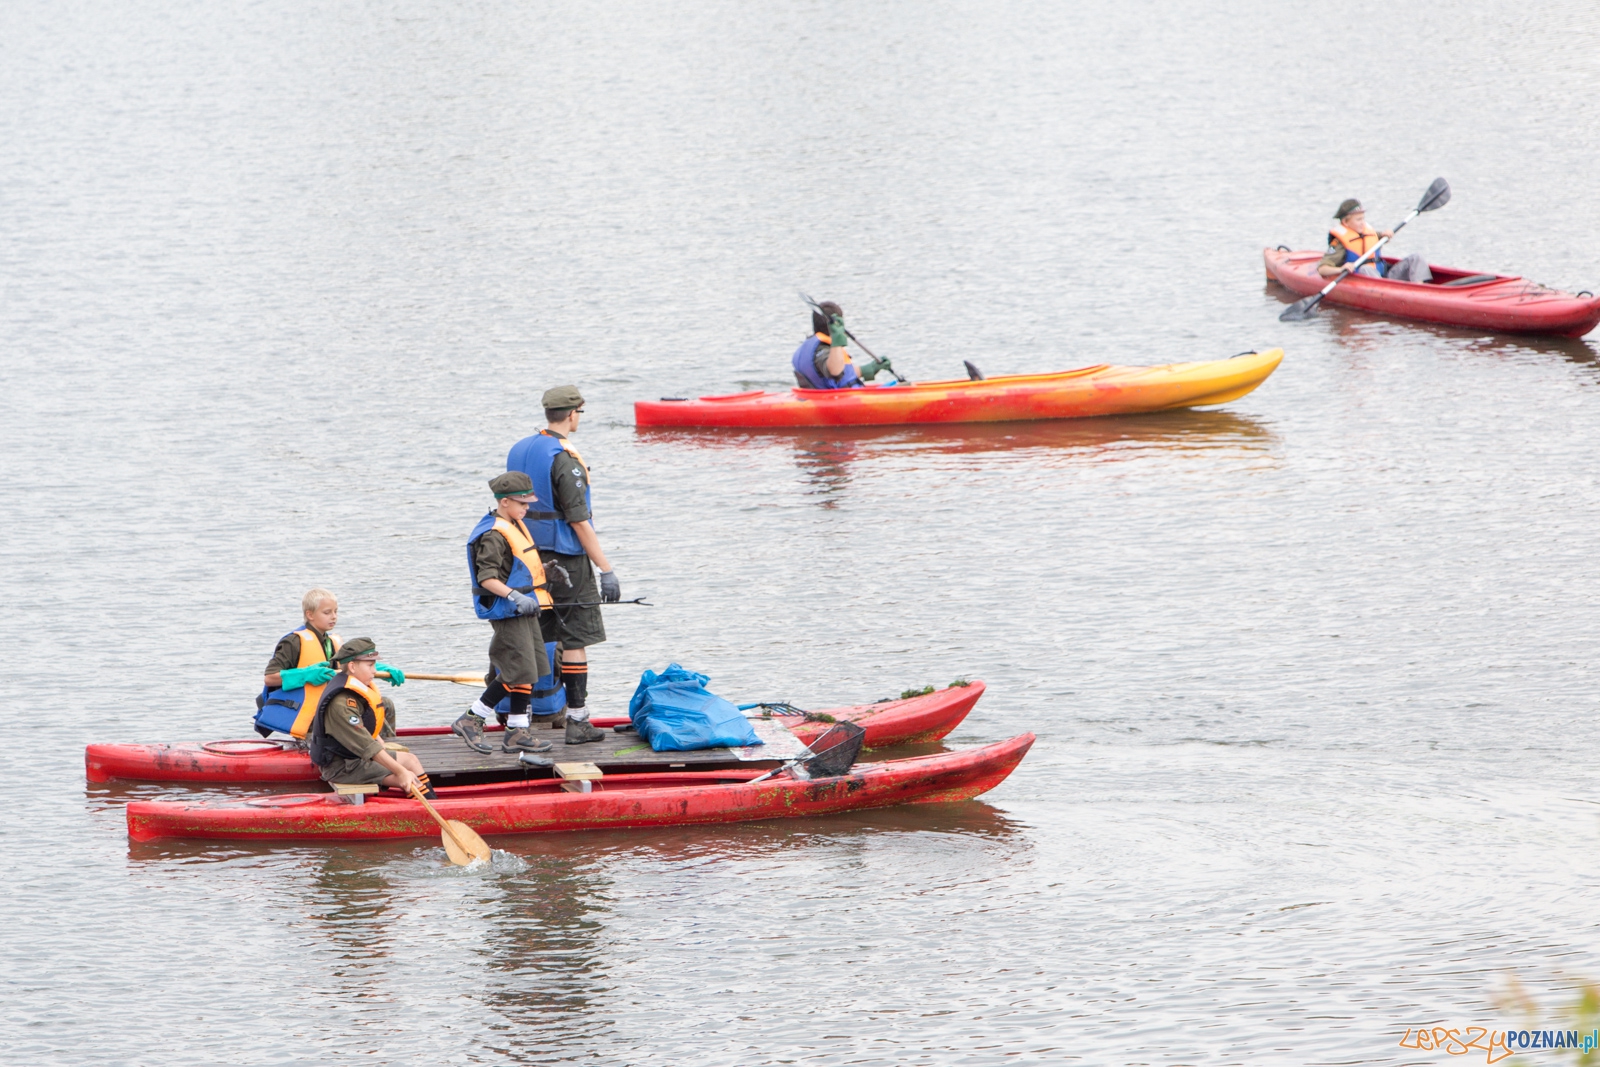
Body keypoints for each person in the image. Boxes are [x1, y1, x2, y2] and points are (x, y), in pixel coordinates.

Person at [454, 472, 602, 754]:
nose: (527, 508)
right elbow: (487, 579)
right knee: (514, 669)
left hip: (526, 608)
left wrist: (545, 573)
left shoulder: (515, 524)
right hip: (510, 611)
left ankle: (517, 731)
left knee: (529, 669)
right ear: (505, 501)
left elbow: (516, 567)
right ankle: (472, 718)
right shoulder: (494, 535)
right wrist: (514, 596)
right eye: (522, 503)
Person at [506, 385, 618, 730]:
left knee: (530, 637)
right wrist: (606, 569)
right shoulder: (564, 457)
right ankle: (578, 720)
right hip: (566, 560)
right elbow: (578, 520)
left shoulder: (519, 448)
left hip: (525, 555)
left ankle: (520, 718)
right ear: (573, 414)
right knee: (576, 640)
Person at [254, 587, 404, 738]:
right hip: (309, 712)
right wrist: (306, 675)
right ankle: (376, 752)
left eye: (335, 611)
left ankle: (387, 748)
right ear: (310, 614)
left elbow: (347, 667)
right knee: (362, 708)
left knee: (384, 704)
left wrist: (378, 669)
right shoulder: (293, 642)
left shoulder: (331, 641)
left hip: (331, 703)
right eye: (327, 612)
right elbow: (270, 677)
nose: (333, 617)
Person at [307, 637, 435, 798]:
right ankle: (428, 810)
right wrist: (401, 772)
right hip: (343, 767)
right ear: (352, 666)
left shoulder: (352, 690)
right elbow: (367, 746)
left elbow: (368, 734)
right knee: (407, 774)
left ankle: (432, 803)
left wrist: (383, 745)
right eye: (370, 665)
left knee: (411, 760)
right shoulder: (341, 704)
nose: (375, 670)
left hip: (353, 758)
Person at [1319, 199, 1432, 283]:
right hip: (1364, 280)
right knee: (1365, 268)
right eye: (1358, 220)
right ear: (1345, 222)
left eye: (1363, 218)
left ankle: (1421, 288)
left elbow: (1378, 238)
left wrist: (1385, 235)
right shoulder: (1339, 244)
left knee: (1416, 258)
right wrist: (1340, 269)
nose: (1362, 222)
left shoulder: (1368, 233)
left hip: (1385, 277)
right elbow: (1322, 269)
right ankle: (1388, 294)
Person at [790, 302, 893, 389]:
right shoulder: (821, 350)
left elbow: (839, 377)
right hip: (840, 399)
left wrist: (868, 369)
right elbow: (834, 372)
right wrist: (837, 339)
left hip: (844, 394)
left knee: (901, 386)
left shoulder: (816, 346)